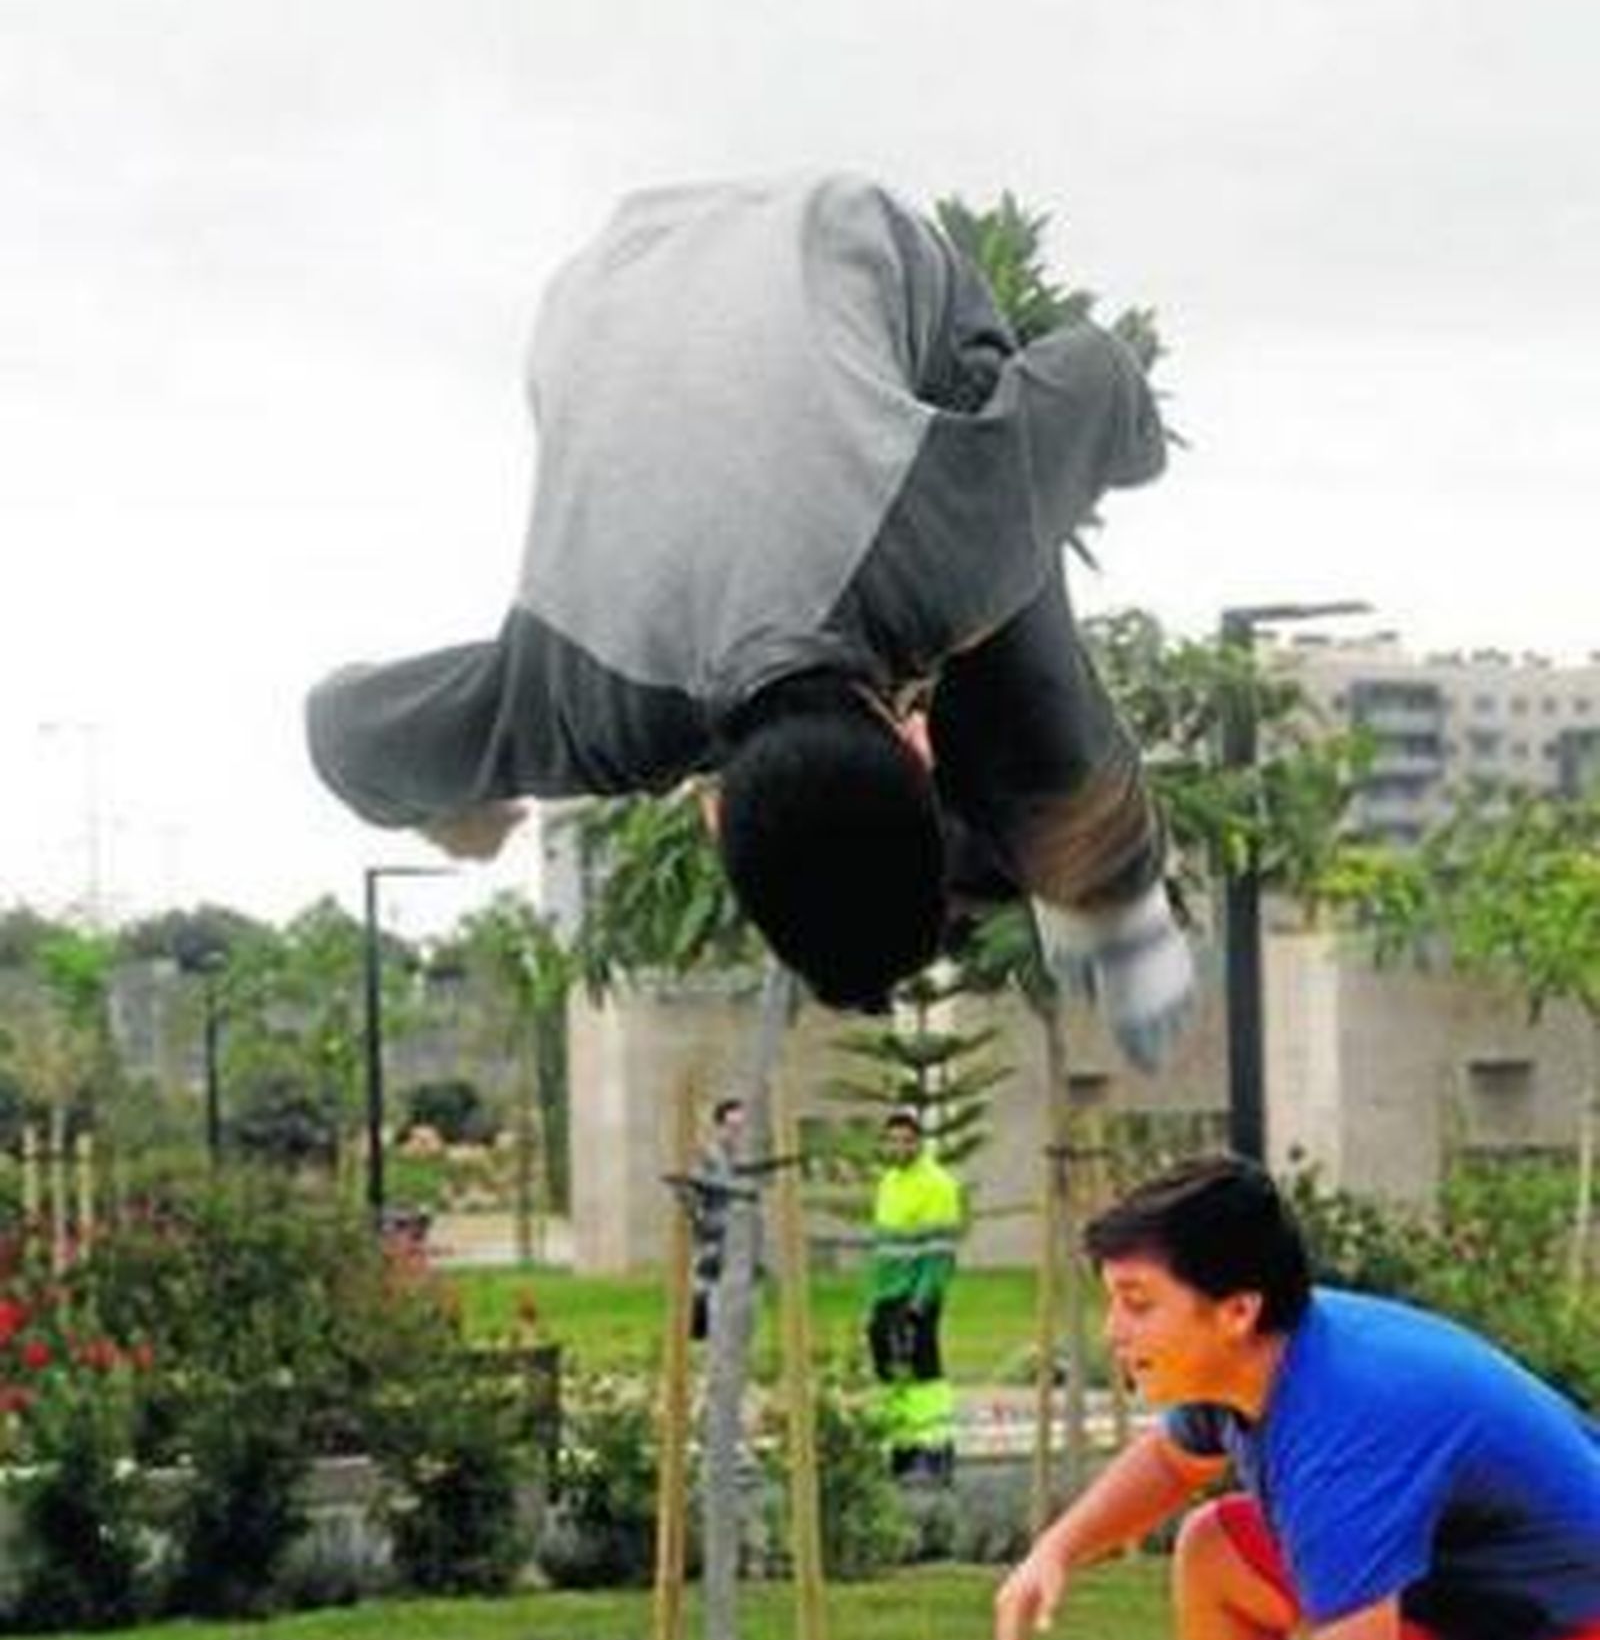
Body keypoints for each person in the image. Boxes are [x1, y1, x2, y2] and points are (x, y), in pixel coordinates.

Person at [305, 173, 1193, 1068]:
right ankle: (1094, 877)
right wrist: (450, 795)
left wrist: (1105, 467)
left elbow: (1106, 375)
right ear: (718, 818)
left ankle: (1102, 885)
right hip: (613, 289)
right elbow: (343, 733)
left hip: (744, 259)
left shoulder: (940, 552)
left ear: (917, 748)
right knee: (992, 617)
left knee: (1004, 650)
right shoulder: (578, 707)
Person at [994, 1154, 1600, 1640]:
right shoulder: (1253, 1363)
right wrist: (1058, 1548)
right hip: (1455, 1611)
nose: (1115, 1332)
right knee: (1217, 1550)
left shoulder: (1342, 1427)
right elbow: (1176, 1465)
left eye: (1138, 1305)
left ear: (1237, 1310)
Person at [867, 1109, 963, 1478]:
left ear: (919, 1143)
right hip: (887, 1293)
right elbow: (885, 1248)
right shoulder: (888, 1182)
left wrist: (921, 1303)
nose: (898, 1147)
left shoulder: (938, 1185)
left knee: (924, 1370)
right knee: (890, 1371)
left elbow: (940, 1252)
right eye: (892, 1140)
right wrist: (876, 1298)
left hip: (916, 1295)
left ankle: (936, 1449)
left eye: (906, 1140)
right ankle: (904, 1447)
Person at [687, 1096, 747, 1342]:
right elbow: (692, 1191)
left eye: (741, 1128)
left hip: (738, 1230)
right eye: (732, 1127)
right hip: (714, 1228)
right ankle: (702, 1326)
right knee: (708, 1278)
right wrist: (702, 1220)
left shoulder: (740, 1157)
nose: (737, 1133)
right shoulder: (709, 1156)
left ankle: (725, 1328)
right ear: (720, 1126)